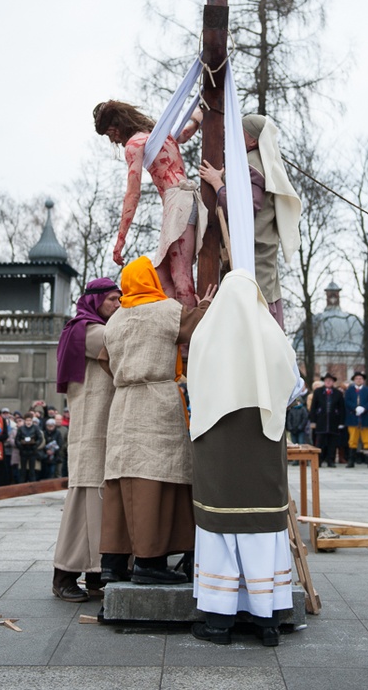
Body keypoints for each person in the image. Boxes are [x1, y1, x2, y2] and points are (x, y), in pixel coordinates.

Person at [187, 268, 302, 647]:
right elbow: (294, 388)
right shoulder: (273, 336)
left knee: (219, 528)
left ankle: (219, 622)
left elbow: (192, 389)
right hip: (262, 443)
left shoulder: (205, 335)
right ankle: (267, 621)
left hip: (217, 445)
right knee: (262, 530)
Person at [99, 256, 216, 585]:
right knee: (155, 479)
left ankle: (113, 562)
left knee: (123, 479)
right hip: (155, 401)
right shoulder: (165, 311)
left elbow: (106, 363)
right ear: (149, 280)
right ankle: (150, 563)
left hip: (122, 401)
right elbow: (198, 326)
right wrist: (205, 303)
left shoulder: (115, 321)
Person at [93, 101, 207, 306]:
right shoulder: (157, 135)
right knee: (162, 280)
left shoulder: (134, 144)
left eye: (110, 134)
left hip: (178, 203)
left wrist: (120, 239)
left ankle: (190, 335)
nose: (113, 140)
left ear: (117, 125)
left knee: (181, 278)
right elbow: (183, 134)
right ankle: (177, 329)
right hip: (180, 202)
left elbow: (132, 193)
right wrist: (197, 118)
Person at [52, 276, 122, 602]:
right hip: (90, 431)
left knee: (99, 504)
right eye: (112, 300)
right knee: (84, 503)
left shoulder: (87, 328)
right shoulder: (88, 330)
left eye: (120, 299)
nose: (118, 305)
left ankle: (96, 575)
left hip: (101, 428)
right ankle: (64, 574)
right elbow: (124, 341)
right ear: (95, 301)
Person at [199, 114, 301, 329]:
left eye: (241, 132)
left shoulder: (252, 163)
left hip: (253, 253)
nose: (234, 135)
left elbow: (246, 206)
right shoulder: (259, 160)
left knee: (255, 313)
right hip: (258, 250)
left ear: (253, 141)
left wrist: (217, 184)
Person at [309, 374, 346, 467]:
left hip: (334, 422)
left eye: (330, 380)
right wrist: (313, 421)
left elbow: (342, 408)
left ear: (333, 382)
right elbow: (313, 407)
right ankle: (319, 460)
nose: (328, 382)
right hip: (321, 421)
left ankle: (331, 460)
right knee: (320, 442)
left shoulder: (338, 393)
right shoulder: (318, 392)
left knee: (332, 443)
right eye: (326, 380)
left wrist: (341, 422)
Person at [344, 371, 368, 469]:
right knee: (352, 440)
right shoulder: (350, 390)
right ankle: (351, 461)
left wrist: (364, 408)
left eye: (360, 379)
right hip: (353, 418)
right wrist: (355, 408)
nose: (359, 380)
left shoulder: (367, 390)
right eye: (357, 378)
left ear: (363, 380)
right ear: (354, 380)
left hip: (366, 419)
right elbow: (347, 401)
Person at [15, 412, 44, 482]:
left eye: (30, 420)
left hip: (32, 451)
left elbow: (40, 438)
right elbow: (17, 439)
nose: (28, 422)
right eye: (27, 420)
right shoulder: (21, 428)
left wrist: (35, 445)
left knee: (32, 470)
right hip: (24, 451)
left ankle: (32, 485)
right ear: (25, 421)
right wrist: (21, 446)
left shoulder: (36, 428)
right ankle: (22, 484)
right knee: (23, 470)